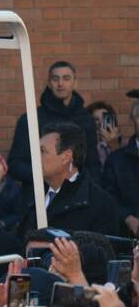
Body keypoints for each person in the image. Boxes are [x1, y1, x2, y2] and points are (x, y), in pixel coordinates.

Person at [8, 61, 101, 204]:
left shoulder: (86, 120)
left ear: (75, 83)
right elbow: (15, 164)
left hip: (78, 199)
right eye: (55, 79)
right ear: (49, 83)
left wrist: (80, 185)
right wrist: (44, 175)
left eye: (66, 78)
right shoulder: (31, 118)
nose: (60, 83)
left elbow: (92, 164)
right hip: (38, 200)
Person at [18, 122, 119, 237]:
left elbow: (103, 251)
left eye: (42, 151)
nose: (35, 156)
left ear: (66, 157)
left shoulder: (101, 203)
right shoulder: (32, 195)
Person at [103, 98, 139, 237]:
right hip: (128, 237)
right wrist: (128, 217)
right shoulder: (116, 159)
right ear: (132, 120)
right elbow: (109, 196)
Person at [87, 101, 122, 167]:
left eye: (104, 118)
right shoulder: (85, 146)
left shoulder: (123, 148)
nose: (100, 122)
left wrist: (115, 146)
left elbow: (124, 170)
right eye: (96, 119)